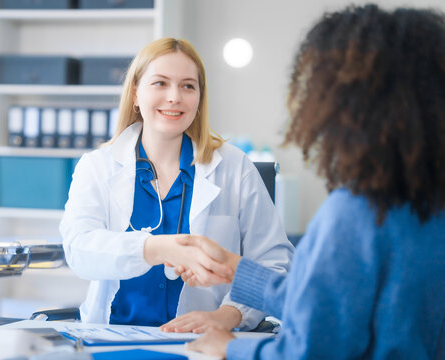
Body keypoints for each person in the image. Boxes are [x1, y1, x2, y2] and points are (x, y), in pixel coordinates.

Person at [183, 5, 445, 359]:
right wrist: (236, 270)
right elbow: (336, 303)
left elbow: (311, 349)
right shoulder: (427, 206)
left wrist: (231, 349)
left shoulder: (355, 212)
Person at [59, 37, 294, 332]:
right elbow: (79, 250)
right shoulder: (97, 166)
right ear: (135, 93)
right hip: (115, 338)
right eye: (160, 83)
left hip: (205, 342)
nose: (174, 97)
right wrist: (157, 248)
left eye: (188, 86)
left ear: (199, 98)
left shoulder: (235, 167)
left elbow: (273, 263)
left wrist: (229, 315)